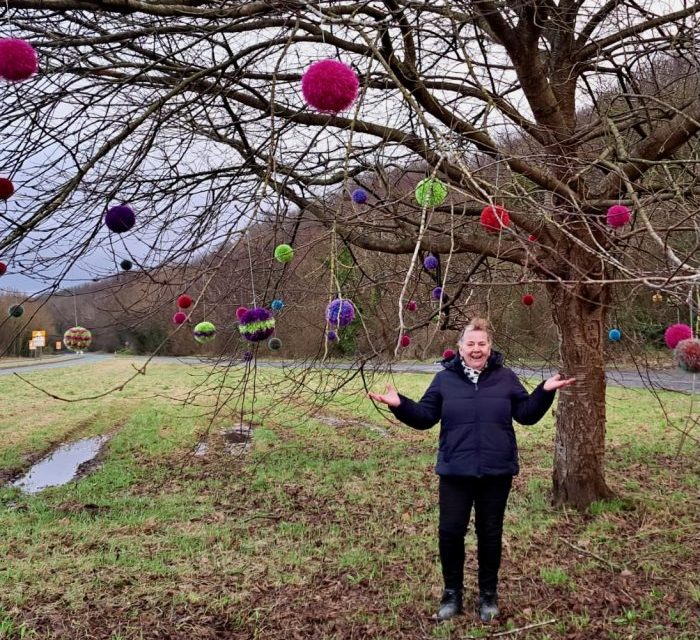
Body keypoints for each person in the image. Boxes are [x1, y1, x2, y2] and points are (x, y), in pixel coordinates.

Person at [368, 318, 575, 622]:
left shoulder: (506, 378)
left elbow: (526, 415)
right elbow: (425, 417)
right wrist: (400, 404)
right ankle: (452, 594)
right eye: (471, 344)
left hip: (496, 471)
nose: (476, 349)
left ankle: (488, 595)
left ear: (490, 347)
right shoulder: (444, 381)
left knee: (489, 534)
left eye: (482, 344)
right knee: (450, 533)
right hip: (455, 471)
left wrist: (545, 391)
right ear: (460, 348)